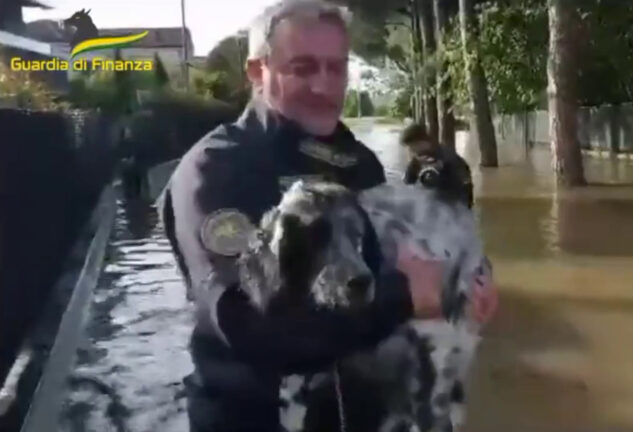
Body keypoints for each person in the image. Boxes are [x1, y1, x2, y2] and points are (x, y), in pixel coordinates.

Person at [158, 1, 499, 430]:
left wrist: (463, 283)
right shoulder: (215, 170)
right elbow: (245, 323)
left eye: (336, 68)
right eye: (302, 68)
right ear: (257, 71)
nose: (323, 85)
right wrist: (405, 296)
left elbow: (400, 268)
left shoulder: (359, 165)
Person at [401, 123, 474, 208]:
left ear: (422, 141)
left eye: (412, 146)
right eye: (409, 147)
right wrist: (414, 165)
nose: (411, 150)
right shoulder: (417, 158)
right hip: (430, 203)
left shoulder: (447, 155)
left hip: (451, 203)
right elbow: (407, 181)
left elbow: (466, 182)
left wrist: (442, 168)